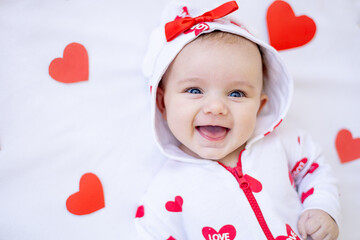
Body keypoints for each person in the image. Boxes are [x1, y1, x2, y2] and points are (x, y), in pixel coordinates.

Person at [135, 1, 340, 239]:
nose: (216, 107)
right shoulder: (166, 192)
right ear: (162, 103)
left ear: (259, 106)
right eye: (194, 90)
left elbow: (315, 172)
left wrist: (322, 208)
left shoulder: (282, 143)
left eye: (236, 94)